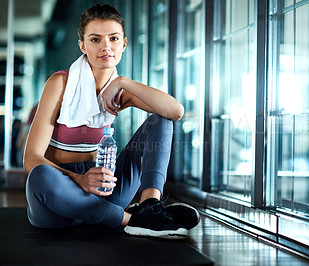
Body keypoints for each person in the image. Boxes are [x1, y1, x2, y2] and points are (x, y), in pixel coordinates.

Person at [24, 4, 199, 239]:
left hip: (102, 190)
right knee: (40, 176)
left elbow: (175, 111)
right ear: (82, 45)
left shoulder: (120, 91)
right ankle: (133, 220)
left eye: (113, 38)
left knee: (161, 119)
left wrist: (124, 82)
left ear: (123, 44)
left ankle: (150, 207)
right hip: (60, 196)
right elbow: (31, 159)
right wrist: (80, 179)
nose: (106, 46)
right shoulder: (60, 84)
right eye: (95, 40)